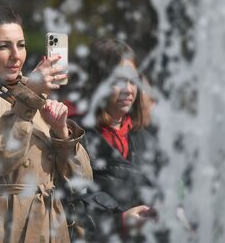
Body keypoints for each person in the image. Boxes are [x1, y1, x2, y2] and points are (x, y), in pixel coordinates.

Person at [0, 6, 93, 243]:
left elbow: (82, 181)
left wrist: (61, 133)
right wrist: (30, 98)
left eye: (21, 45)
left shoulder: (34, 97)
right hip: (2, 232)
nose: (16, 55)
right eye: (3, 46)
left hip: (51, 230)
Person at [69, 38, 161, 241]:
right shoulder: (72, 136)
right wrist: (120, 224)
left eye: (132, 80)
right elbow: (66, 214)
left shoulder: (147, 140)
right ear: (97, 82)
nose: (128, 89)